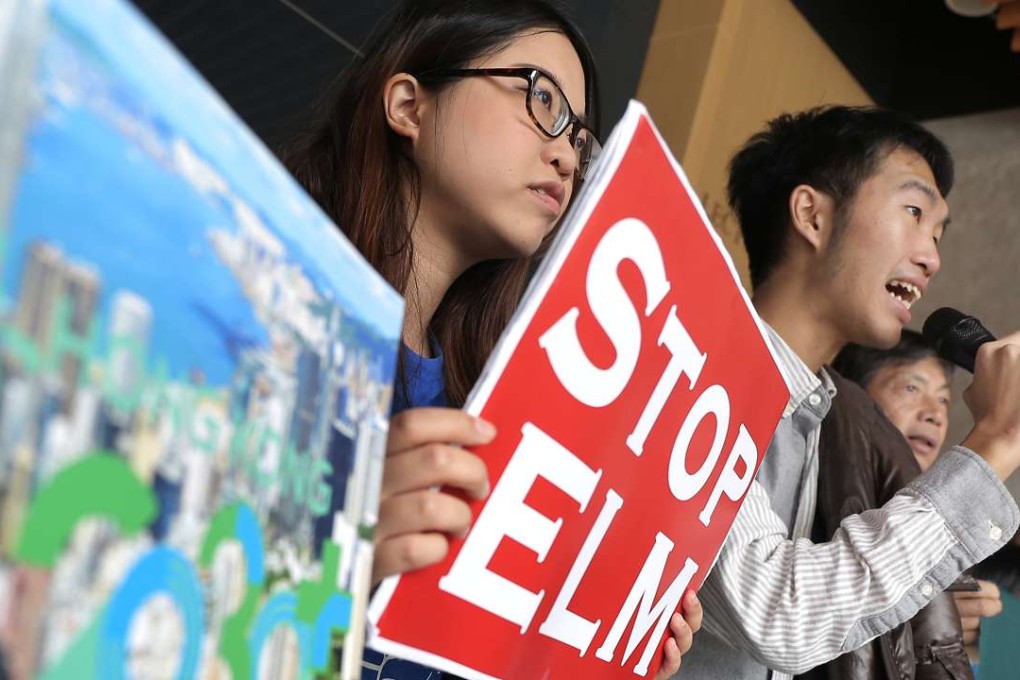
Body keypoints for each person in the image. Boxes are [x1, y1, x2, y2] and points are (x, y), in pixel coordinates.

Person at [283, 1, 701, 678]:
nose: (565, 154)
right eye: (541, 98)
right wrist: (330, 551)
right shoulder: (267, 307)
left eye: (579, 135)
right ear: (409, 105)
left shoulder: (495, 408)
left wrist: (587, 653)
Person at [675, 106, 1020, 680]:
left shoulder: (833, 417)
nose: (931, 257)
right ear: (811, 214)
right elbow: (782, 614)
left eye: (937, 233)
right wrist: (996, 442)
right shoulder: (692, 373)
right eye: (912, 212)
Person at [831, 334, 1004, 677]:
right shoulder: (820, 478)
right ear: (852, 390)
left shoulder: (949, 534)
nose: (936, 415)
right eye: (912, 388)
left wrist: (955, 633)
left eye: (943, 400)